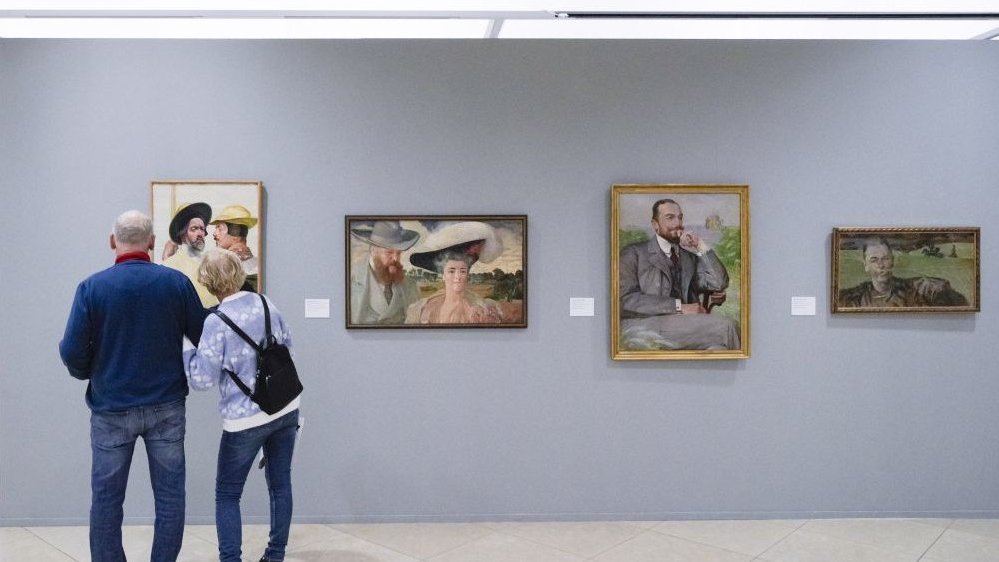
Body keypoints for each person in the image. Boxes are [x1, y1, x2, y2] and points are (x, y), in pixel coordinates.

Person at [59, 210, 207, 562]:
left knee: (107, 501)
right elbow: (203, 334)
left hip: (111, 406)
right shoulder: (175, 284)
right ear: (153, 242)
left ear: (113, 241)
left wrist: (91, 372)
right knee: (170, 498)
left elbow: (71, 351)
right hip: (167, 405)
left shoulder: (92, 287)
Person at [183, 249, 300, 562]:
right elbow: (287, 345)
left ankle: (231, 559)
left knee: (228, 494)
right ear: (237, 273)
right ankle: (275, 555)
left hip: (244, 420)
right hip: (286, 407)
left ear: (208, 283)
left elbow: (202, 380)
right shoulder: (266, 303)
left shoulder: (215, 322)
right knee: (280, 485)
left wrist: (186, 348)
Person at [619, 198, 740, 350]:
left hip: (686, 328)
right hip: (647, 325)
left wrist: (701, 246)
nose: (678, 223)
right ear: (655, 225)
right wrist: (679, 307)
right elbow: (625, 301)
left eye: (680, 217)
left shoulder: (687, 257)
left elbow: (718, 283)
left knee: (719, 350)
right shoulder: (633, 254)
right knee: (727, 327)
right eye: (670, 217)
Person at [405, 221, 505, 324]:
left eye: (462, 271)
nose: (458, 276)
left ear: (467, 275)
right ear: (443, 275)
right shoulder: (423, 308)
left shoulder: (482, 309)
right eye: (451, 271)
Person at [838, 238, 969, 308]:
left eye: (885, 258)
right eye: (874, 260)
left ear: (893, 261)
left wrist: (940, 289)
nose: (881, 265)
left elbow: (958, 302)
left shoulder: (913, 290)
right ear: (865, 265)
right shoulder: (855, 297)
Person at [349, 220, 421, 325]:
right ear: (373, 250)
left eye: (398, 253)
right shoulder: (351, 280)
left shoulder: (410, 285)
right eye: (389, 252)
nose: (396, 259)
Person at [163, 202, 218, 307]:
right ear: (182, 232)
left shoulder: (212, 261)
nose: (200, 234)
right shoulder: (170, 265)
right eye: (194, 229)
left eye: (202, 229)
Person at [210, 204, 260, 292]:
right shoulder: (258, 264)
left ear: (235, 236)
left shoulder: (230, 269)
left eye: (219, 229)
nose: (214, 233)